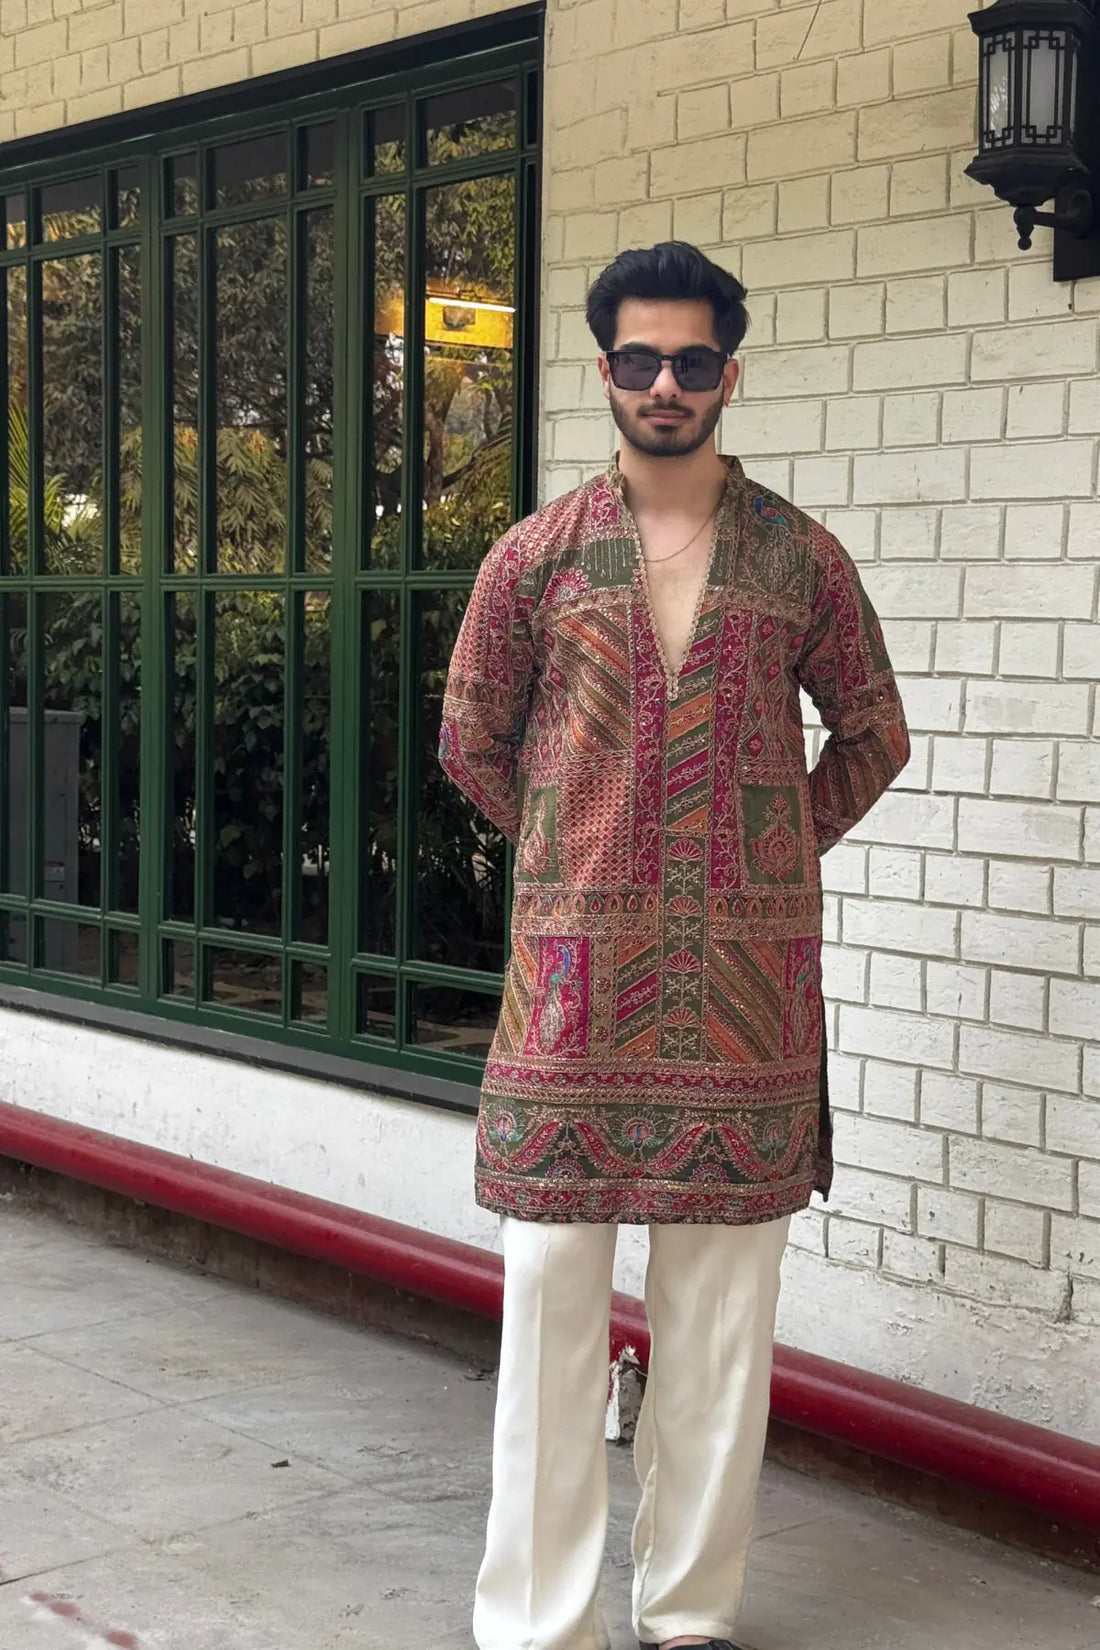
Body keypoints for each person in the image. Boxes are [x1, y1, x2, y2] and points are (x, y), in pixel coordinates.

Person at [439, 241, 910, 1650]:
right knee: (548, 1308)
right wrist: (576, 850)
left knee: (719, 1322)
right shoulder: (534, 558)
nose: (664, 383)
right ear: (605, 372)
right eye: (639, 359)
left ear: (728, 375)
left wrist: (770, 844)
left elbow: (874, 731)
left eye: (690, 361)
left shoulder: (799, 558)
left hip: (747, 1002)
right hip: (569, 997)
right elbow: (471, 736)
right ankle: (537, 1620)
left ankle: (690, 1613)